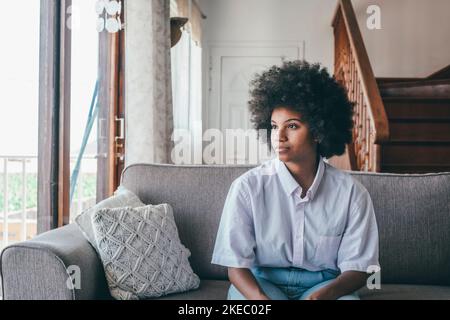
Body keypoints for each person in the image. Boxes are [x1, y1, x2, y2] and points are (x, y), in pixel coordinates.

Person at [211, 60, 379, 300]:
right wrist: (262, 300)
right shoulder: (247, 187)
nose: (278, 136)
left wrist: (322, 296)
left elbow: (360, 268)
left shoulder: (352, 194)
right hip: (262, 283)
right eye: (273, 126)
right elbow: (235, 265)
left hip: (325, 286)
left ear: (319, 131)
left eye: (292, 126)